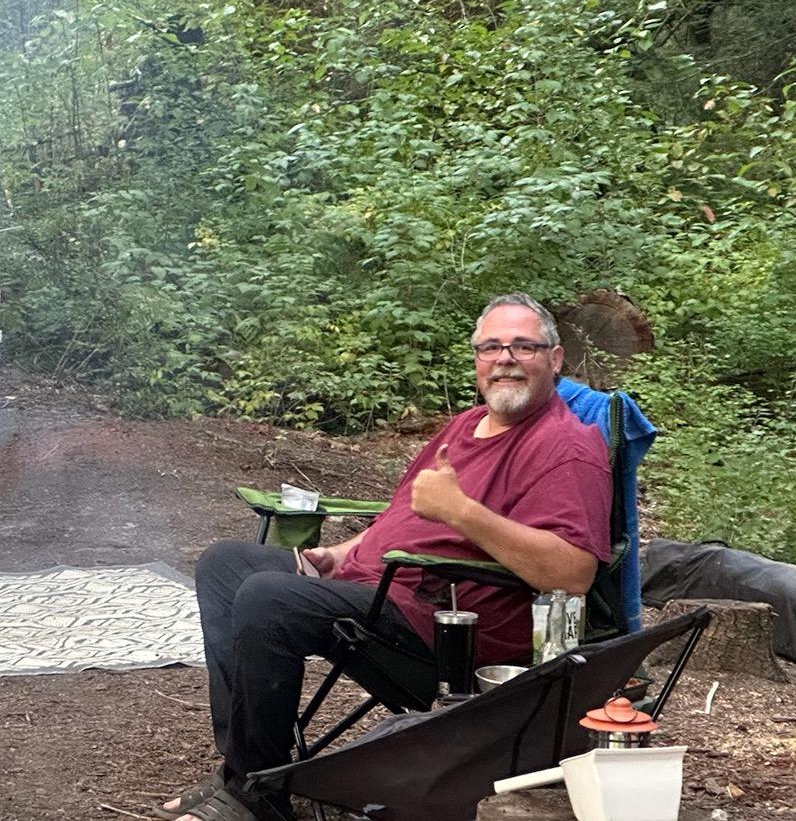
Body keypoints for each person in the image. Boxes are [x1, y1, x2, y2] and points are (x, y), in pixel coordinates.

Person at [160, 293, 612, 821]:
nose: (505, 358)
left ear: (555, 359)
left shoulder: (566, 446)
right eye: (490, 347)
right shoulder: (465, 426)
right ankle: (243, 770)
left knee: (268, 597)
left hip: (447, 626)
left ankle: (253, 799)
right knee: (226, 564)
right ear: (476, 359)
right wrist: (340, 553)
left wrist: (462, 511)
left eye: (523, 346)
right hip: (379, 591)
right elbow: (404, 516)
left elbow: (572, 572)